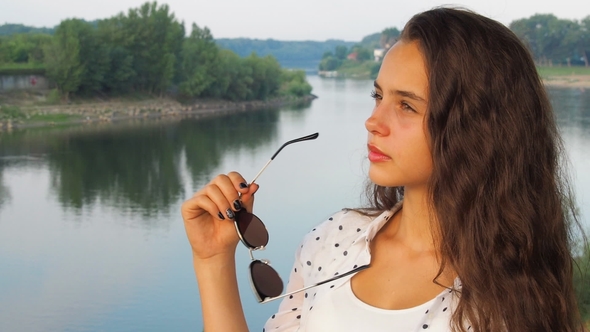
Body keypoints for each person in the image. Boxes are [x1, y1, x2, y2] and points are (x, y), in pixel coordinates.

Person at [181, 7, 585, 332]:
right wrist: (213, 260)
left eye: (406, 105)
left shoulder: (514, 290)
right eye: (378, 96)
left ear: (476, 126)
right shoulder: (332, 240)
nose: (373, 121)